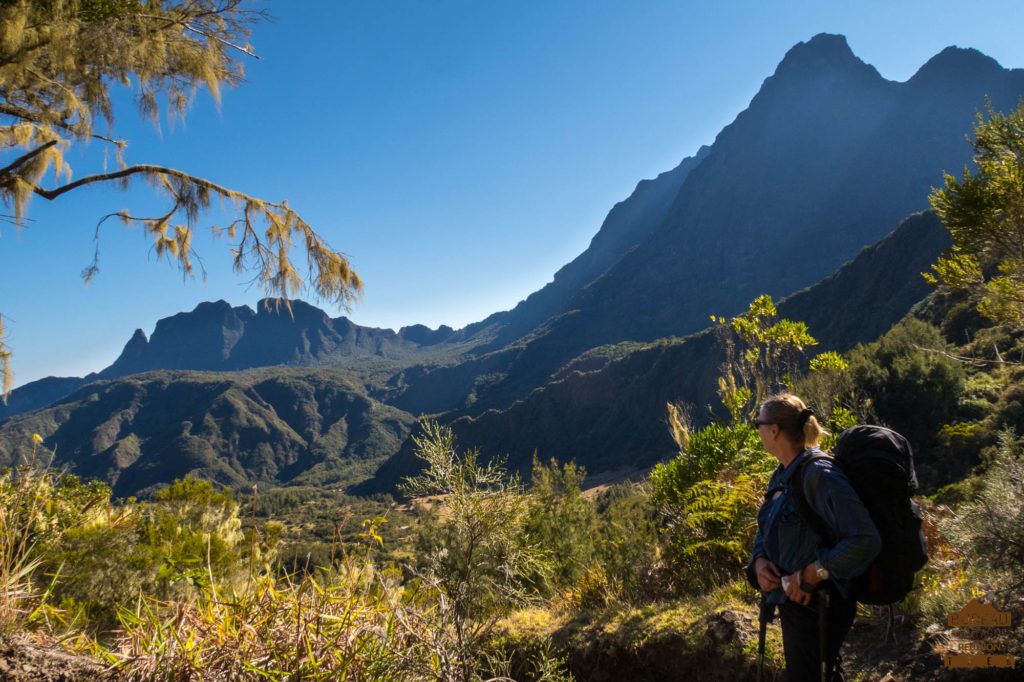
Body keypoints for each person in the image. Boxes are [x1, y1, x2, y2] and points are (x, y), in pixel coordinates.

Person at [748, 393, 881, 682]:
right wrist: (759, 562)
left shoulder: (819, 474)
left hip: (822, 603)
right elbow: (767, 526)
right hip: (798, 604)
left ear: (774, 431)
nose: (757, 430)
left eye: (758, 424)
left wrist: (815, 571)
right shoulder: (782, 474)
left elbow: (865, 539)